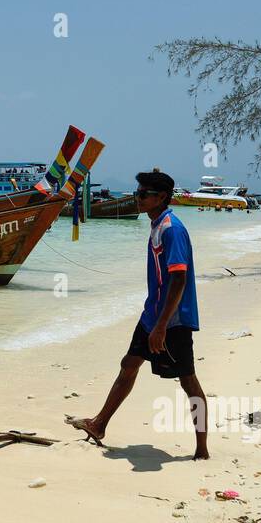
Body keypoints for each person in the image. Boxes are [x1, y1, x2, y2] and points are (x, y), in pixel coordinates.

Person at [66, 170, 208, 460]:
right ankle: (99, 424)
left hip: (172, 320)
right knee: (129, 363)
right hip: (152, 314)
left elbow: (178, 278)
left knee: (188, 380)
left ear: (162, 197)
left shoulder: (172, 228)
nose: (138, 197)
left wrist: (161, 327)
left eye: (143, 194)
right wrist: (153, 321)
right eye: (137, 192)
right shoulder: (157, 225)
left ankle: (202, 449)